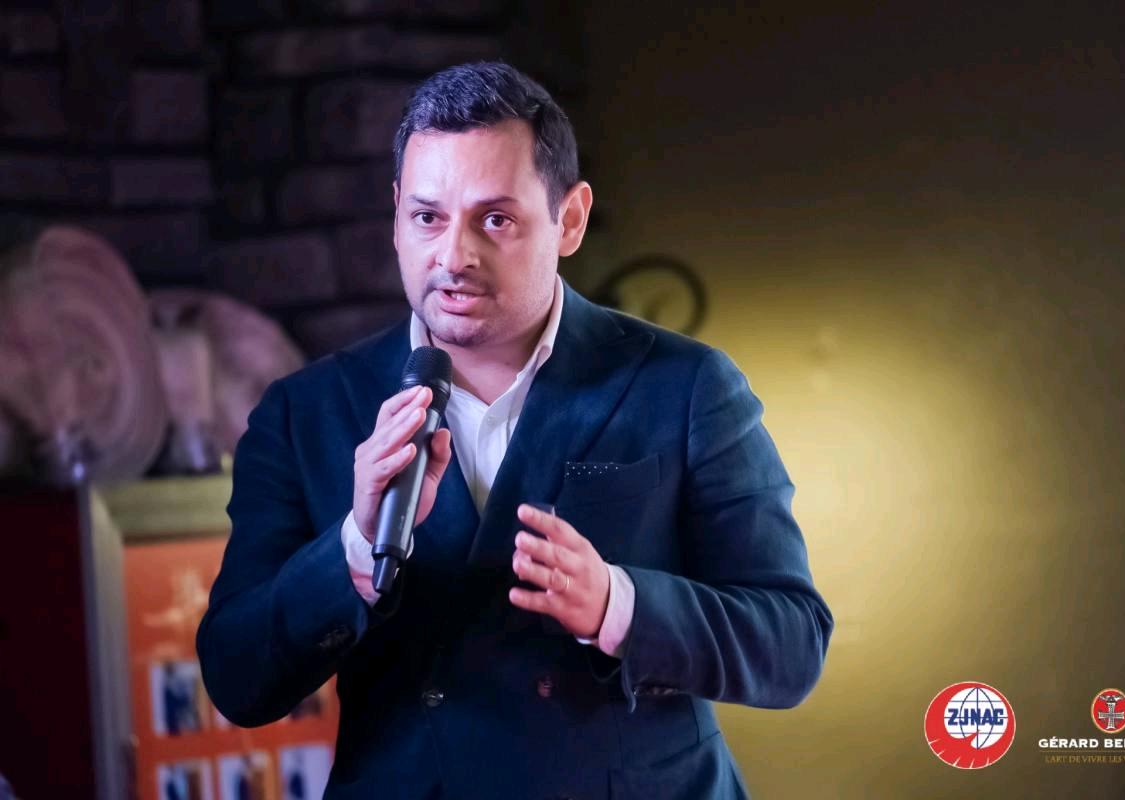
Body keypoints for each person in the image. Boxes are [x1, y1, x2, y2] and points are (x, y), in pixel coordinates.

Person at [197, 61, 833, 800]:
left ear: (570, 220)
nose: (454, 257)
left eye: (495, 220)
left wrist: (617, 605)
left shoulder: (688, 385)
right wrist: (353, 549)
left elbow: (792, 644)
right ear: (396, 214)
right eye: (427, 218)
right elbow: (236, 680)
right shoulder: (303, 412)